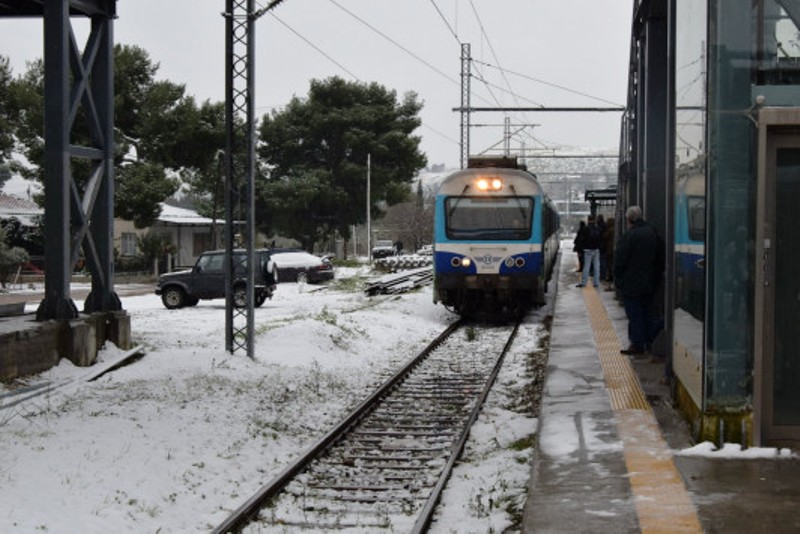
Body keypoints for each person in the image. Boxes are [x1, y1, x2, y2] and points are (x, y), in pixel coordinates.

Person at [614, 206, 661, 355]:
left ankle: (637, 344)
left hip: (632, 283)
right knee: (647, 312)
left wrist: (619, 280)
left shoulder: (629, 236)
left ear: (629, 220)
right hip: (649, 282)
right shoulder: (652, 232)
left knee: (635, 315)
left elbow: (619, 261)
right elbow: (660, 257)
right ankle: (649, 341)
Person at [576, 215, 602, 288]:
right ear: (594, 220)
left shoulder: (585, 229)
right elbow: (600, 239)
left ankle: (584, 283)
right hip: (596, 250)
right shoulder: (597, 228)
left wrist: (581, 249)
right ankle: (596, 283)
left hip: (587, 250)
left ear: (588, 220)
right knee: (597, 266)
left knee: (586, 266)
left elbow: (582, 240)